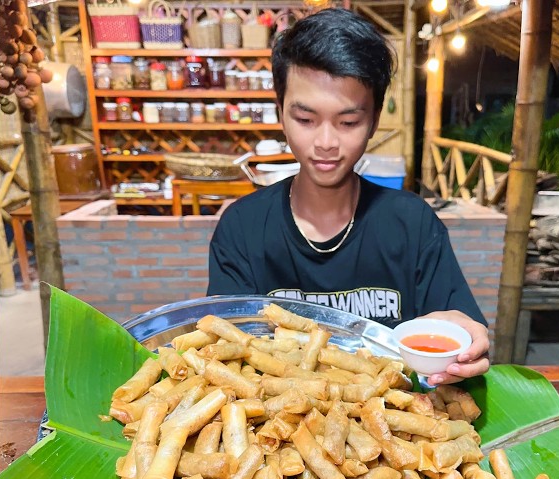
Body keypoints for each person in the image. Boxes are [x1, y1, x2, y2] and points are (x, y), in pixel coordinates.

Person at [206, 9, 488, 386]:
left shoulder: (413, 224)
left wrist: (466, 342)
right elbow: (225, 352)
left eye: (348, 122)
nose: (325, 143)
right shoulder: (242, 228)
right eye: (305, 120)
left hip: (396, 430)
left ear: (372, 122)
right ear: (281, 114)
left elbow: (457, 327)